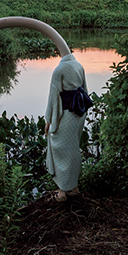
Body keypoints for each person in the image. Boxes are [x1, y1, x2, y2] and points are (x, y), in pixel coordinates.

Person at [44, 53, 93, 202]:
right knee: (72, 148)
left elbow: (53, 97)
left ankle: (62, 191)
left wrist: (48, 121)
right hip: (78, 113)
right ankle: (73, 187)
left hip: (66, 114)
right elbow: (85, 90)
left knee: (60, 148)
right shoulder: (79, 66)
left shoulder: (59, 70)